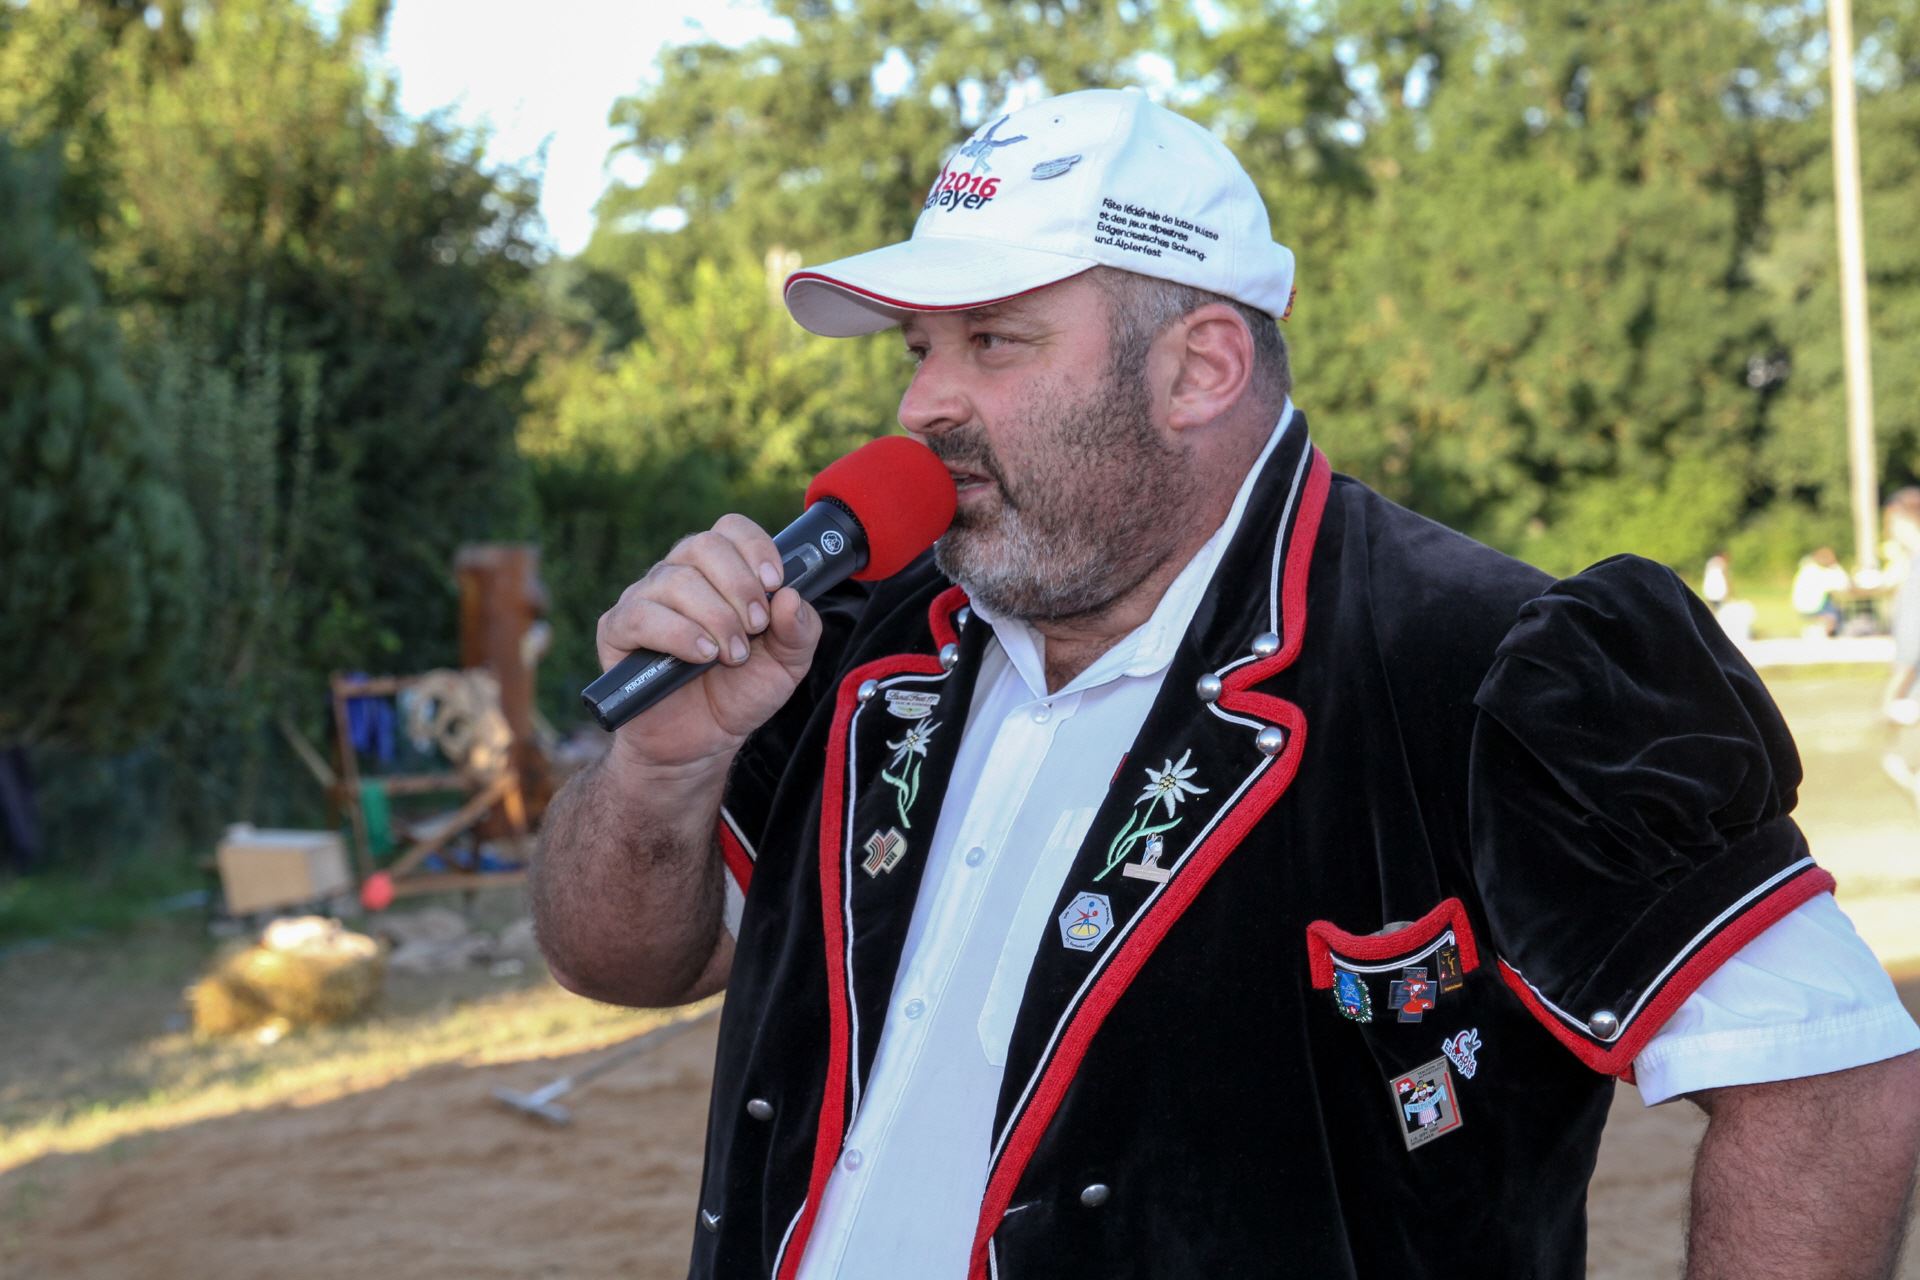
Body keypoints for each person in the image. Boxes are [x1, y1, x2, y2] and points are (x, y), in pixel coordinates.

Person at [531, 89, 1920, 1279]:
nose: (920, 405)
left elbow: (1834, 1083)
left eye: (992, 341)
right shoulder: (850, 644)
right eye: (918, 350)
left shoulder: (1488, 663)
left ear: (1199, 367)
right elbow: (623, 960)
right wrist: (660, 766)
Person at [1791, 546, 1850, 637]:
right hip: (1812, 608)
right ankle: (1832, 636)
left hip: (1805, 607)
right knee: (1836, 611)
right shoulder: (1816, 572)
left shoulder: (1808, 568)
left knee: (1834, 605)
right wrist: (1836, 565)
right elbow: (1843, 585)